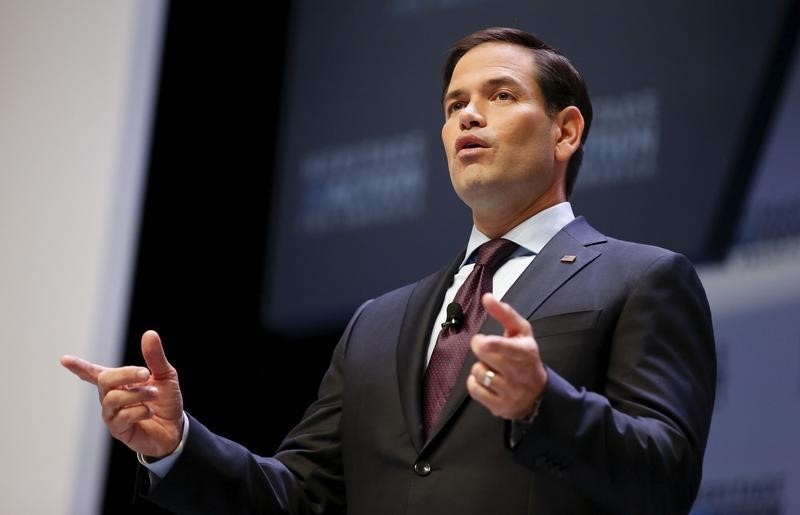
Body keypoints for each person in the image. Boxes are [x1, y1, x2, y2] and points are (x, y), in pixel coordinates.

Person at [62, 27, 716, 514]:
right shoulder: (378, 323)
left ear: (565, 131)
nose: (468, 114)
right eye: (455, 102)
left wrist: (545, 404)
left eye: (500, 94)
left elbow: (666, 475)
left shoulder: (641, 279)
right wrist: (176, 444)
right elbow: (297, 496)